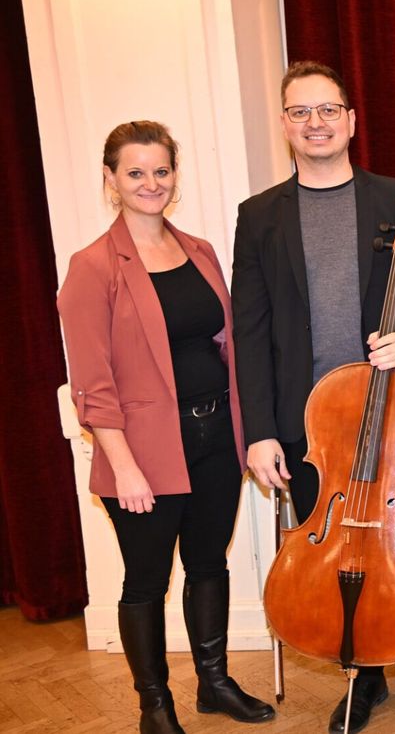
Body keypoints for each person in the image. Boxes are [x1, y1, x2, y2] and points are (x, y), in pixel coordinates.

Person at [231, 61, 395, 734]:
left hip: (391, 416)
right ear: (284, 125)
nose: (315, 123)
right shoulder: (259, 216)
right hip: (313, 429)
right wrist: (261, 431)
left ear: (352, 120)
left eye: (327, 110)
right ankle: (361, 683)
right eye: (300, 112)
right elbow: (249, 328)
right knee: (336, 560)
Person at [58, 120, 274, 733]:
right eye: (135, 172)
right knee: (145, 581)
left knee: (210, 563)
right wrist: (123, 467)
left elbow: (225, 342)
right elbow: (92, 386)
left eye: (161, 170)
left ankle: (213, 682)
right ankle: (154, 703)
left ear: (174, 176)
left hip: (215, 441)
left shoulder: (200, 251)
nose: (151, 183)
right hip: (144, 451)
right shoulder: (92, 267)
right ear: (111, 180)